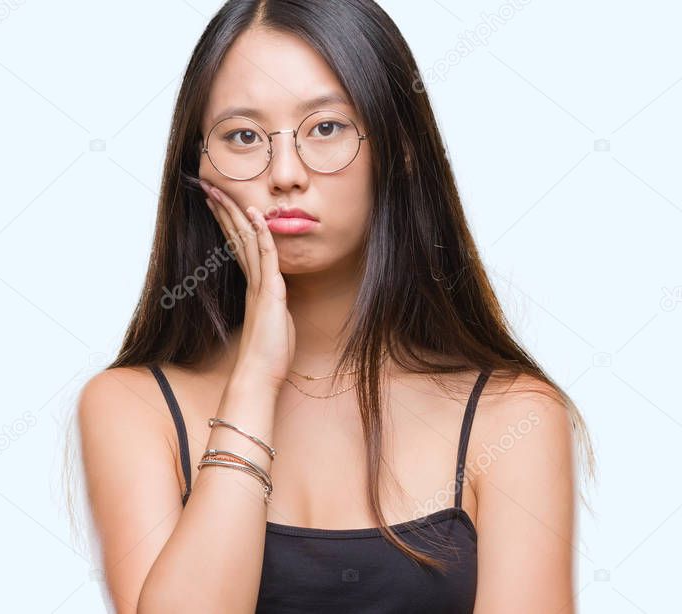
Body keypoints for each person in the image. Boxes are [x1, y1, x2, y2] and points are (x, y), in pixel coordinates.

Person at [77, 1, 595, 612]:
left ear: (399, 151)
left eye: (326, 128)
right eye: (244, 136)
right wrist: (255, 378)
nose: (286, 173)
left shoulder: (514, 416)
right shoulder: (131, 407)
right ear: (199, 166)